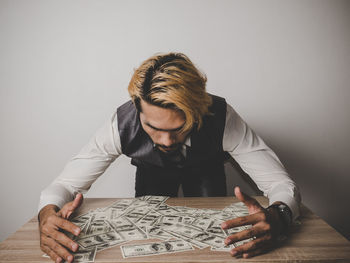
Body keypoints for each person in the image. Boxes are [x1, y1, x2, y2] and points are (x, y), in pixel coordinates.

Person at [38, 52, 301, 262]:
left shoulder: (221, 117)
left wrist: (279, 215)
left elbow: (280, 184)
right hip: (151, 174)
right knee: (148, 234)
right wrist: (47, 215)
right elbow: (65, 185)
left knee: (214, 236)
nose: (165, 141)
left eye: (178, 129)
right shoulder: (121, 123)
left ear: (198, 111)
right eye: (153, 128)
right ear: (136, 107)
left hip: (206, 170)